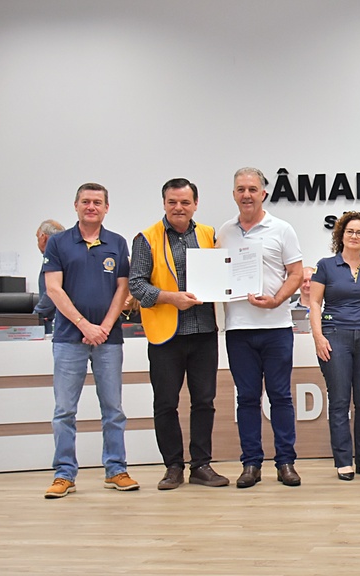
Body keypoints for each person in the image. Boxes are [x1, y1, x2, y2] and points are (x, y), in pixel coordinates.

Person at [129, 178, 228, 490]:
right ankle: (173, 467)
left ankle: (201, 465)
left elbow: (223, 273)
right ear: (164, 203)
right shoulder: (146, 238)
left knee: (204, 401)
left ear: (195, 204)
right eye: (172, 202)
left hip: (203, 331)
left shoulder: (210, 234)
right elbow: (136, 284)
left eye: (185, 202)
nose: (179, 208)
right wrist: (172, 297)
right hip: (165, 334)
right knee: (165, 403)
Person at [42, 183, 138, 498]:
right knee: (64, 410)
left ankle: (116, 470)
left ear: (106, 208)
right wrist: (85, 325)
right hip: (69, 338)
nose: (91, 206)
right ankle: (64, 474)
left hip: (108, 341)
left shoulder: (117, 242)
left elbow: (123, 289)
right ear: (76, 206)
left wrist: (105, 327)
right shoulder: (58, 243)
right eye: (86, 201)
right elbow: (54, 289)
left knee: (113, 408)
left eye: (97, 202)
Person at [218, 167, 304, 489]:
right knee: (247, 398)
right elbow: (216, 276)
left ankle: (286, 463)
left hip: (276, 327)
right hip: (238, 329)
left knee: (281, 397)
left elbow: (295, 273)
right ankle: (251, 464)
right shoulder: (224, 233)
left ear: (263, 193)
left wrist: (277, 299)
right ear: (234, 194)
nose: (247, 195)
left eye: (253, 189)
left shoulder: (281, 229)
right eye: (241, 189)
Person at [309, 212, 360, 481]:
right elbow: (314, 304)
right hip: (335, 335)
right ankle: (343, 461)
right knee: (340, 401)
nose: (355, 236)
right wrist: (318, 337)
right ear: (341, 235)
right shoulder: (326, 266)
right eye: (350, 231)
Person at [34, 219, 65, 334]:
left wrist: (37, 313)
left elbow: (51, 291)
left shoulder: (55, 258)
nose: (37, 243)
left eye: (37, 238)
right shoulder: (66, 254)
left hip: (55, 323)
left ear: (43, 237)